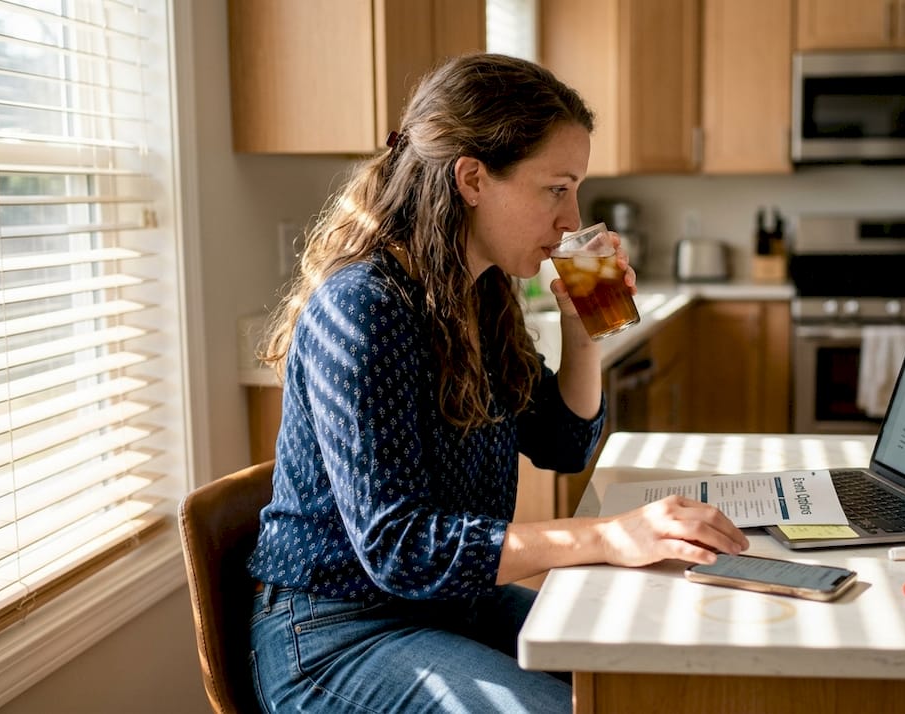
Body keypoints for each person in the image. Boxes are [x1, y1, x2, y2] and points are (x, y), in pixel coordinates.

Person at [246, 53, 749, 713]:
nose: (573, 220)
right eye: (556, 188)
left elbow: (563, 444)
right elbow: (401, 549)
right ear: (474, 178)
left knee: (653, 678)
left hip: (448, 607)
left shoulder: (479, 295)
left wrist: (581, 324)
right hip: (337, 633)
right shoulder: (365, 307)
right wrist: (605, 536)